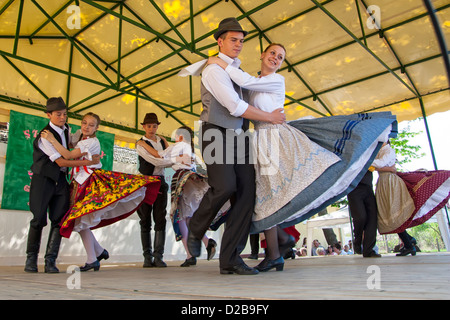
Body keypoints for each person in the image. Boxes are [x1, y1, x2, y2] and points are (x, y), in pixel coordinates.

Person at [184, 17, 286, 275]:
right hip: (214, 133)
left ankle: (230, 258)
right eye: (233, 39)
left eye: (241, 41)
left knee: (246, 194)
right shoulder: (213, 70)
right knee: (225, 185)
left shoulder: (237, 71)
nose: (238, 44)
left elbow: (250, 90)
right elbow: (235, 107)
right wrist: (270, 117)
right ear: (220, 41)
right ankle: (196, 228)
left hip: (239, 137)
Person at [41, 112, 161, 271]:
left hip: (88, 182)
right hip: (79, 181)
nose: (86, 127)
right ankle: (97, 253)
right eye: (84, 123)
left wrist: (51, 140)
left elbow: (69, 155)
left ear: (97, 128)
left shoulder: (92, 142)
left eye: (91, 125)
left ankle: (95, 256)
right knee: (80, 220)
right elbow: (70, 144)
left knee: (80, 219)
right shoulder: (82, 139)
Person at [24, 97, 100, 273]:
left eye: (65, 114)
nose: (62, 117)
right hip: (43, 179)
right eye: (58, 114)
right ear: (49, 115)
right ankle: (31, 260)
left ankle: (50, 261)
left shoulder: (67, 130)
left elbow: (73, 149)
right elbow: (61, 161)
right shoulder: (45, 136)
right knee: (38, 219)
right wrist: (87, 163)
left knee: (59, 220)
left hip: (61, 182)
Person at [159, 126, 223, 267]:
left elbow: (161, 155)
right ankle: (206, 242)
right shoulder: (192, 150)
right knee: (189, 218)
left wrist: (163, 141)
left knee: (179, 216)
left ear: (180, 136)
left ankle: (190, 255)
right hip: (194, 180)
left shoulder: (179, 145)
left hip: (182, 179)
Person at [135, 113, 173, 268]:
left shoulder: (162, 141)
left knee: (160, 218)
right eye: (149, 126)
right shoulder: (140, 144)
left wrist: (169, 156)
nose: (151, 129)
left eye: (154, 126)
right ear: (143, 126)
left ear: (158, 127)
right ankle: (147, 256)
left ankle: (158, 256)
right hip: (145, 182)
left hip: (160, 182)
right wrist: (170, 161)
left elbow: (170, 155)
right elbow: (156, 160)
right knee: (145, 220)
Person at [347, 169, 381, 257]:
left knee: (372, 219)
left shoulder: (369, 155)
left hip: (368, 187)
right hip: (353, 187)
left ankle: (369, 250)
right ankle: (357, 240)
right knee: (360, 217)